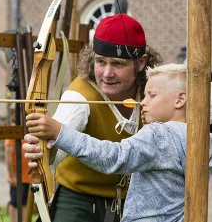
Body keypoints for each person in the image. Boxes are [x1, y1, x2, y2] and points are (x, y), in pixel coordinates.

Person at [24, 63, 212, 221]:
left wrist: (59, 132)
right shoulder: (204, 139)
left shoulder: (159, 134)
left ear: (180, 99)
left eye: (152, 95)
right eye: (144, 95)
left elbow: (114, 156)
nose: (143, 102)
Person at [23, 14, 162, 222]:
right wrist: (42, 151)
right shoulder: (79, 97)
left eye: (117, 63)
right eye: (100, 61)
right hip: (77, 203)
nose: (107, 73)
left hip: (133, 203)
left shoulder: (153, 93)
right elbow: (52, 152)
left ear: (141, 63)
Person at [5, 136, 30, 222]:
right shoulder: (12, 134)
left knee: (24, 203)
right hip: (17, 177)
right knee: (15, 203)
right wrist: (12, 176)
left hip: (28, 177)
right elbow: (8, 157)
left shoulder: (29, 132)